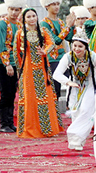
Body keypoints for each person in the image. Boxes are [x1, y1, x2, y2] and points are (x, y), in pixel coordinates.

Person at [53, 32, 96, 150]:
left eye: (80, 46)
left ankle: (75, 137)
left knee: (86, 111)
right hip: (74, 88)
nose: (77, 49)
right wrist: (68, 82)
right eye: (75, 46)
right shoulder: (68, 57)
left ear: (85, 47)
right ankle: (77, 141)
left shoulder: (93, 56)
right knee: (76, 112)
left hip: (90, 87)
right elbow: (56, 74)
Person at [14, 8, 63, 138]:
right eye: (28, 17)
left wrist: (45, 51)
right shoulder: (20, 33)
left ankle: (48, 129)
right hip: (27, 70)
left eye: (33, 16)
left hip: (42, 69)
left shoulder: (43, 30)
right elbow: (15, 53)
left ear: (37, 17)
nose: (31, 19)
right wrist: (20, 69)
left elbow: (51, 43)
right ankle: (30, 129)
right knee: (30, 98)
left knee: (44, 97)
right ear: (24, 19)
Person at [0, 0, 26, 133]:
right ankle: (4, 123)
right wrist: (7, 64)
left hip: (16, 63)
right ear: (7, 8)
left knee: (12, 93)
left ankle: (11, 122)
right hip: (1, 63)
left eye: (17, 10)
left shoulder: (19, 25)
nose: (14, 12)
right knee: (5, 92)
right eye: (11, 9)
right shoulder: (1, 23)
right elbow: (0, 46)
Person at [39, 0, 76, 98]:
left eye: (57, 4)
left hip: (63, 57)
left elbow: (69, 38)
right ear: (47, 6)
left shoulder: (60, 22)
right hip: (51, 59)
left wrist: (72, 26)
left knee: (71, 82)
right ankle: (55, 113)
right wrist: (68, 26)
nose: (56, 7)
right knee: (55, 89)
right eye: (53, 4)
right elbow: (55, 41)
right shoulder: (44, 23)